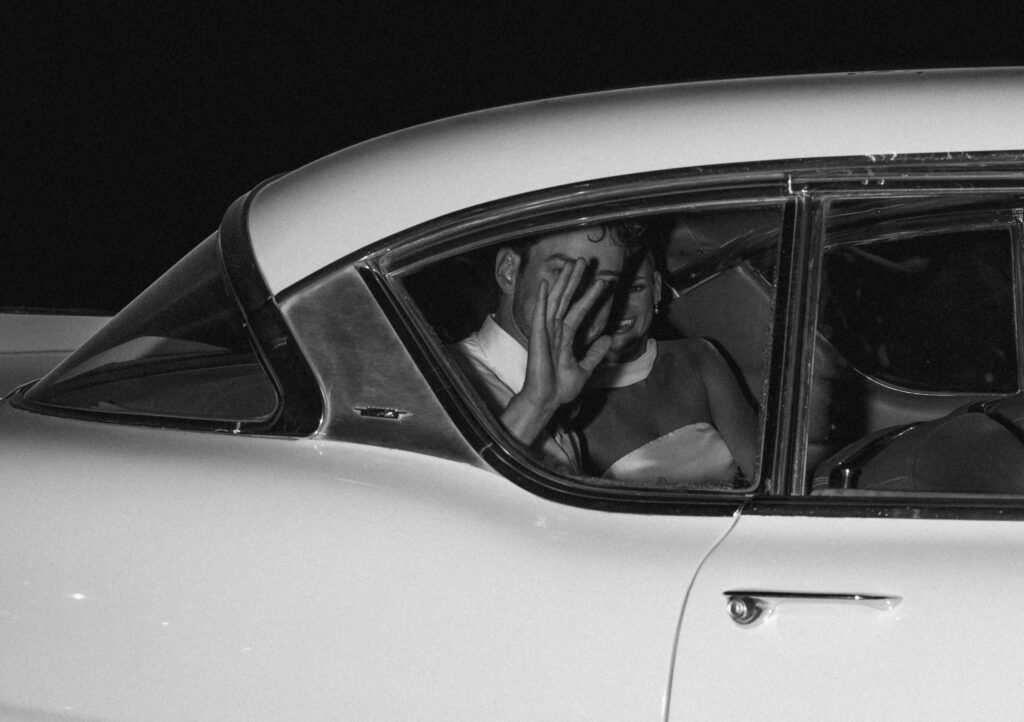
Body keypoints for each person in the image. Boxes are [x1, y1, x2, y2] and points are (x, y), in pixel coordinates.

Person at [452, 224, 636, 472]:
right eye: (564, 272)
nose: (588, 298)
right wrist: (536, 405)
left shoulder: (567, 402)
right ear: (509, 271)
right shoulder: (438, 379)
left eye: (605, 283)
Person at [577, 247, 758, 488]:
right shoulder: (572, 400)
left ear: (657, 288)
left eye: (635, 288)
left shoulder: (698, 356)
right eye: (607, 291)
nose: (620, 305)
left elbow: (761, 471)